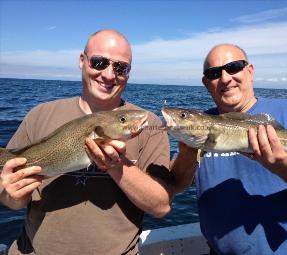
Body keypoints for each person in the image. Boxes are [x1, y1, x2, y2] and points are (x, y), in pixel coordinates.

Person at [0, 29, 173, 255]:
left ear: (129, 73)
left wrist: (117, 166)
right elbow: (12, 202)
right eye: (99, 62)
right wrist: (10, 194)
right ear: (82, 61)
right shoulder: (39, 115)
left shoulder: (148, 125)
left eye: (121, 67)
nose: (109, 75)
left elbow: (161, 206)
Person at [171, 44, 287, 254]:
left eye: (233, 67)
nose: (225, 78)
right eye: (214, 73)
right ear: (206, 83)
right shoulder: (201, 124)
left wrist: (284, 167)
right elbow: (175, 185)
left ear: (250, 71)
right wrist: (189, 151)